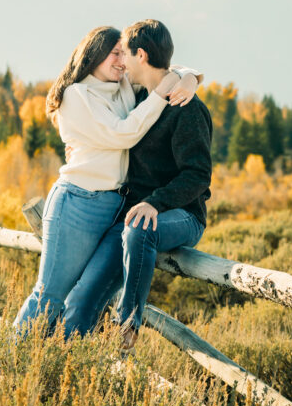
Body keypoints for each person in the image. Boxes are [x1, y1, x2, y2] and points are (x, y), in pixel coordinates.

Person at [12, 25, 200, 333]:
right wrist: (164, 94)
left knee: (83, 295)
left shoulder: (123, 85)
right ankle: (15, 362)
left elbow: (163, 68)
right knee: (51, 295)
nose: (121, 62)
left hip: (116, 206)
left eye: (123, 54)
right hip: (78, 204)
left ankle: (62, 366)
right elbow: (122, 134)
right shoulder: (77, 95)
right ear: (94, 54)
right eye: (114, 54)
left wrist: (189, 79)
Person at [63, 19, 212, 350]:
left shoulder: (188, 109)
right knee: (84, 293)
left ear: (141, 56)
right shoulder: (138, 99)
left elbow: (198, 175)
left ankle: (127, 326)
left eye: (124, 54)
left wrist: (155, 203)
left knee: (141, 230)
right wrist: (190, 75)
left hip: (181, 215)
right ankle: (67, 364)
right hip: (134, 214)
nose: (121, 63)